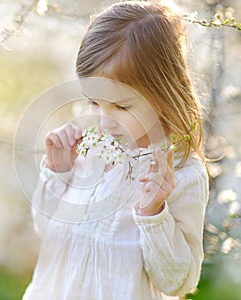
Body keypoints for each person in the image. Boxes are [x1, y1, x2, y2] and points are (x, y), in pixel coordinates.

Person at [22, 1, 209, 299]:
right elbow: (47, 234)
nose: (103, 120)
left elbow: (176, 282)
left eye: (121, 106)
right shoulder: (89, 149)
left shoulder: (182, 173)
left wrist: (154, 213)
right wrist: (58, 172)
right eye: (93, 102)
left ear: (162, 94)